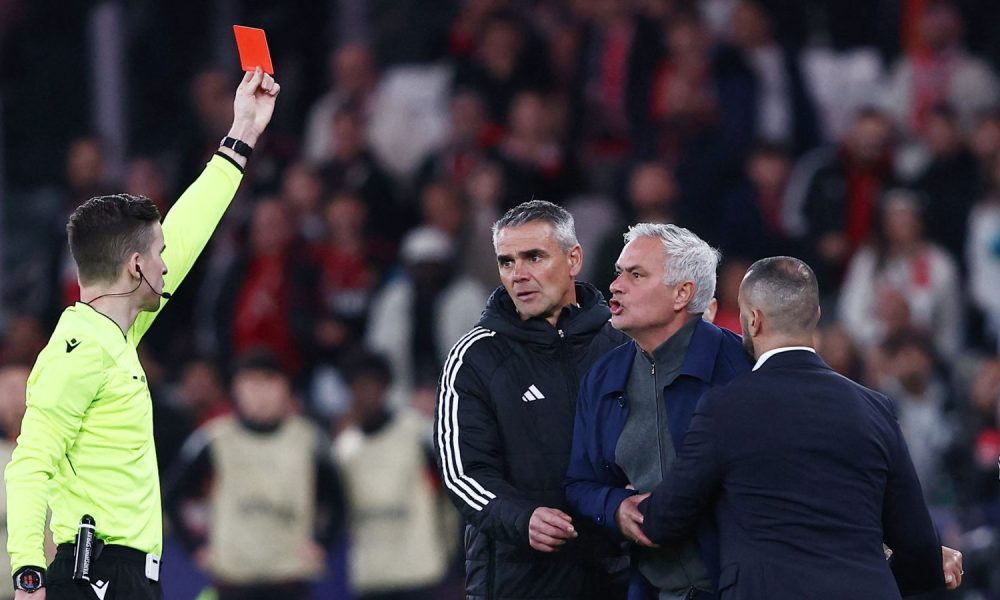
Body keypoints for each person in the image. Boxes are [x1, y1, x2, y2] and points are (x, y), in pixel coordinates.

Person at [5, 67, 280, 600]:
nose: (167, 264)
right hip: (95, 577)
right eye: (157, 256)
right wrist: (28, 574)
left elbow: (188, 229)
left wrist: (241, 133)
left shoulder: (115, 334)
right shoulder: (79, 351)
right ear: (136, 267)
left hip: (123, 576)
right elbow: (30, 461)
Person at [637, 256, 964, 598]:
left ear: (753, 320)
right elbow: (917, 546)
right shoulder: (874, 408)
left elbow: (665, 521)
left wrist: (618, 503)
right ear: (817, 316)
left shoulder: (724, 408)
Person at [434, 200, 629, 600]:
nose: (518, 275)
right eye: (507, 262)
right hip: (518, 580)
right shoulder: (474, 357)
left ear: (574, 259)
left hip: (616, 575)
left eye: (534, 257)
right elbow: (462, 472)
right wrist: (522, 519)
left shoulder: (622, 343)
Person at [565, 223, 752, 600]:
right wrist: (614, 507)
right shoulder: (602, 377)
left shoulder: (743, 366)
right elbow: (579, 483)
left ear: (683, 293)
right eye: (619, 272)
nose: (615, 285)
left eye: (636, 274)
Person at [164, 350, 343, 600]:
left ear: (285, 388)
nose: (260, 393)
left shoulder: (308, 439)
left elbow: (338, 499)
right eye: (250, 383)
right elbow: (171, 495)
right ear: (236, 389)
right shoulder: (215, 438)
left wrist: (323, 543)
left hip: (289, 580)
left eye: (269, 382)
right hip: (234, 581)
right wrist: (194, 547)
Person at [334, 351, 456, 599]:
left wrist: (453, 554)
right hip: (372, 577)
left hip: (422, 573)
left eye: (372, 385)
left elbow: (449, 494)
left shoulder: (417, 433)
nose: (366, 394)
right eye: (358, 386)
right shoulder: (345, 449)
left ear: (386, 387)